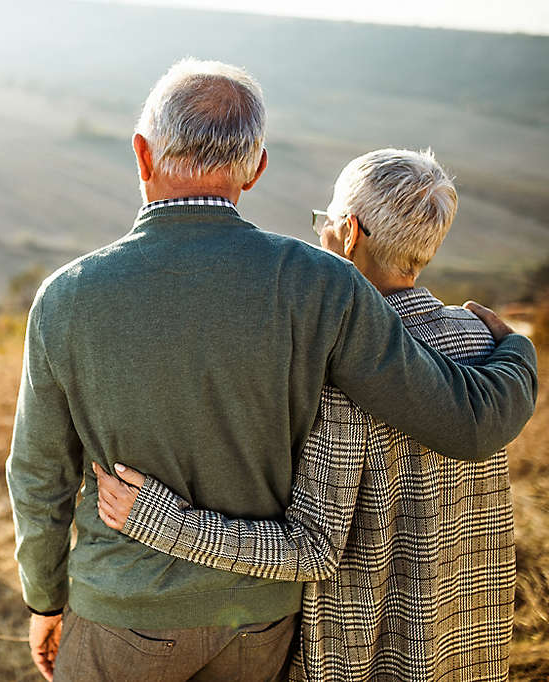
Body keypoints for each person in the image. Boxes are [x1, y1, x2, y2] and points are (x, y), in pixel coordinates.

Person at [5, 59, 537, 682]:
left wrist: (44, 598)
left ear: (142, 154)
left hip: (123, 613)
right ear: (256, 168)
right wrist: (516, 352)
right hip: (260, 623)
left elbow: (40, 475)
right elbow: (459, 419)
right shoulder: (322, 284)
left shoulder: (67, 296)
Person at [94, 148, 520, 681]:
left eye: (324, 222)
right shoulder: (480, 341)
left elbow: (313, 549)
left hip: (367, 652)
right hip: (465, 642)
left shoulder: (335, 369)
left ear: (348, 232)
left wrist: (161, 521)